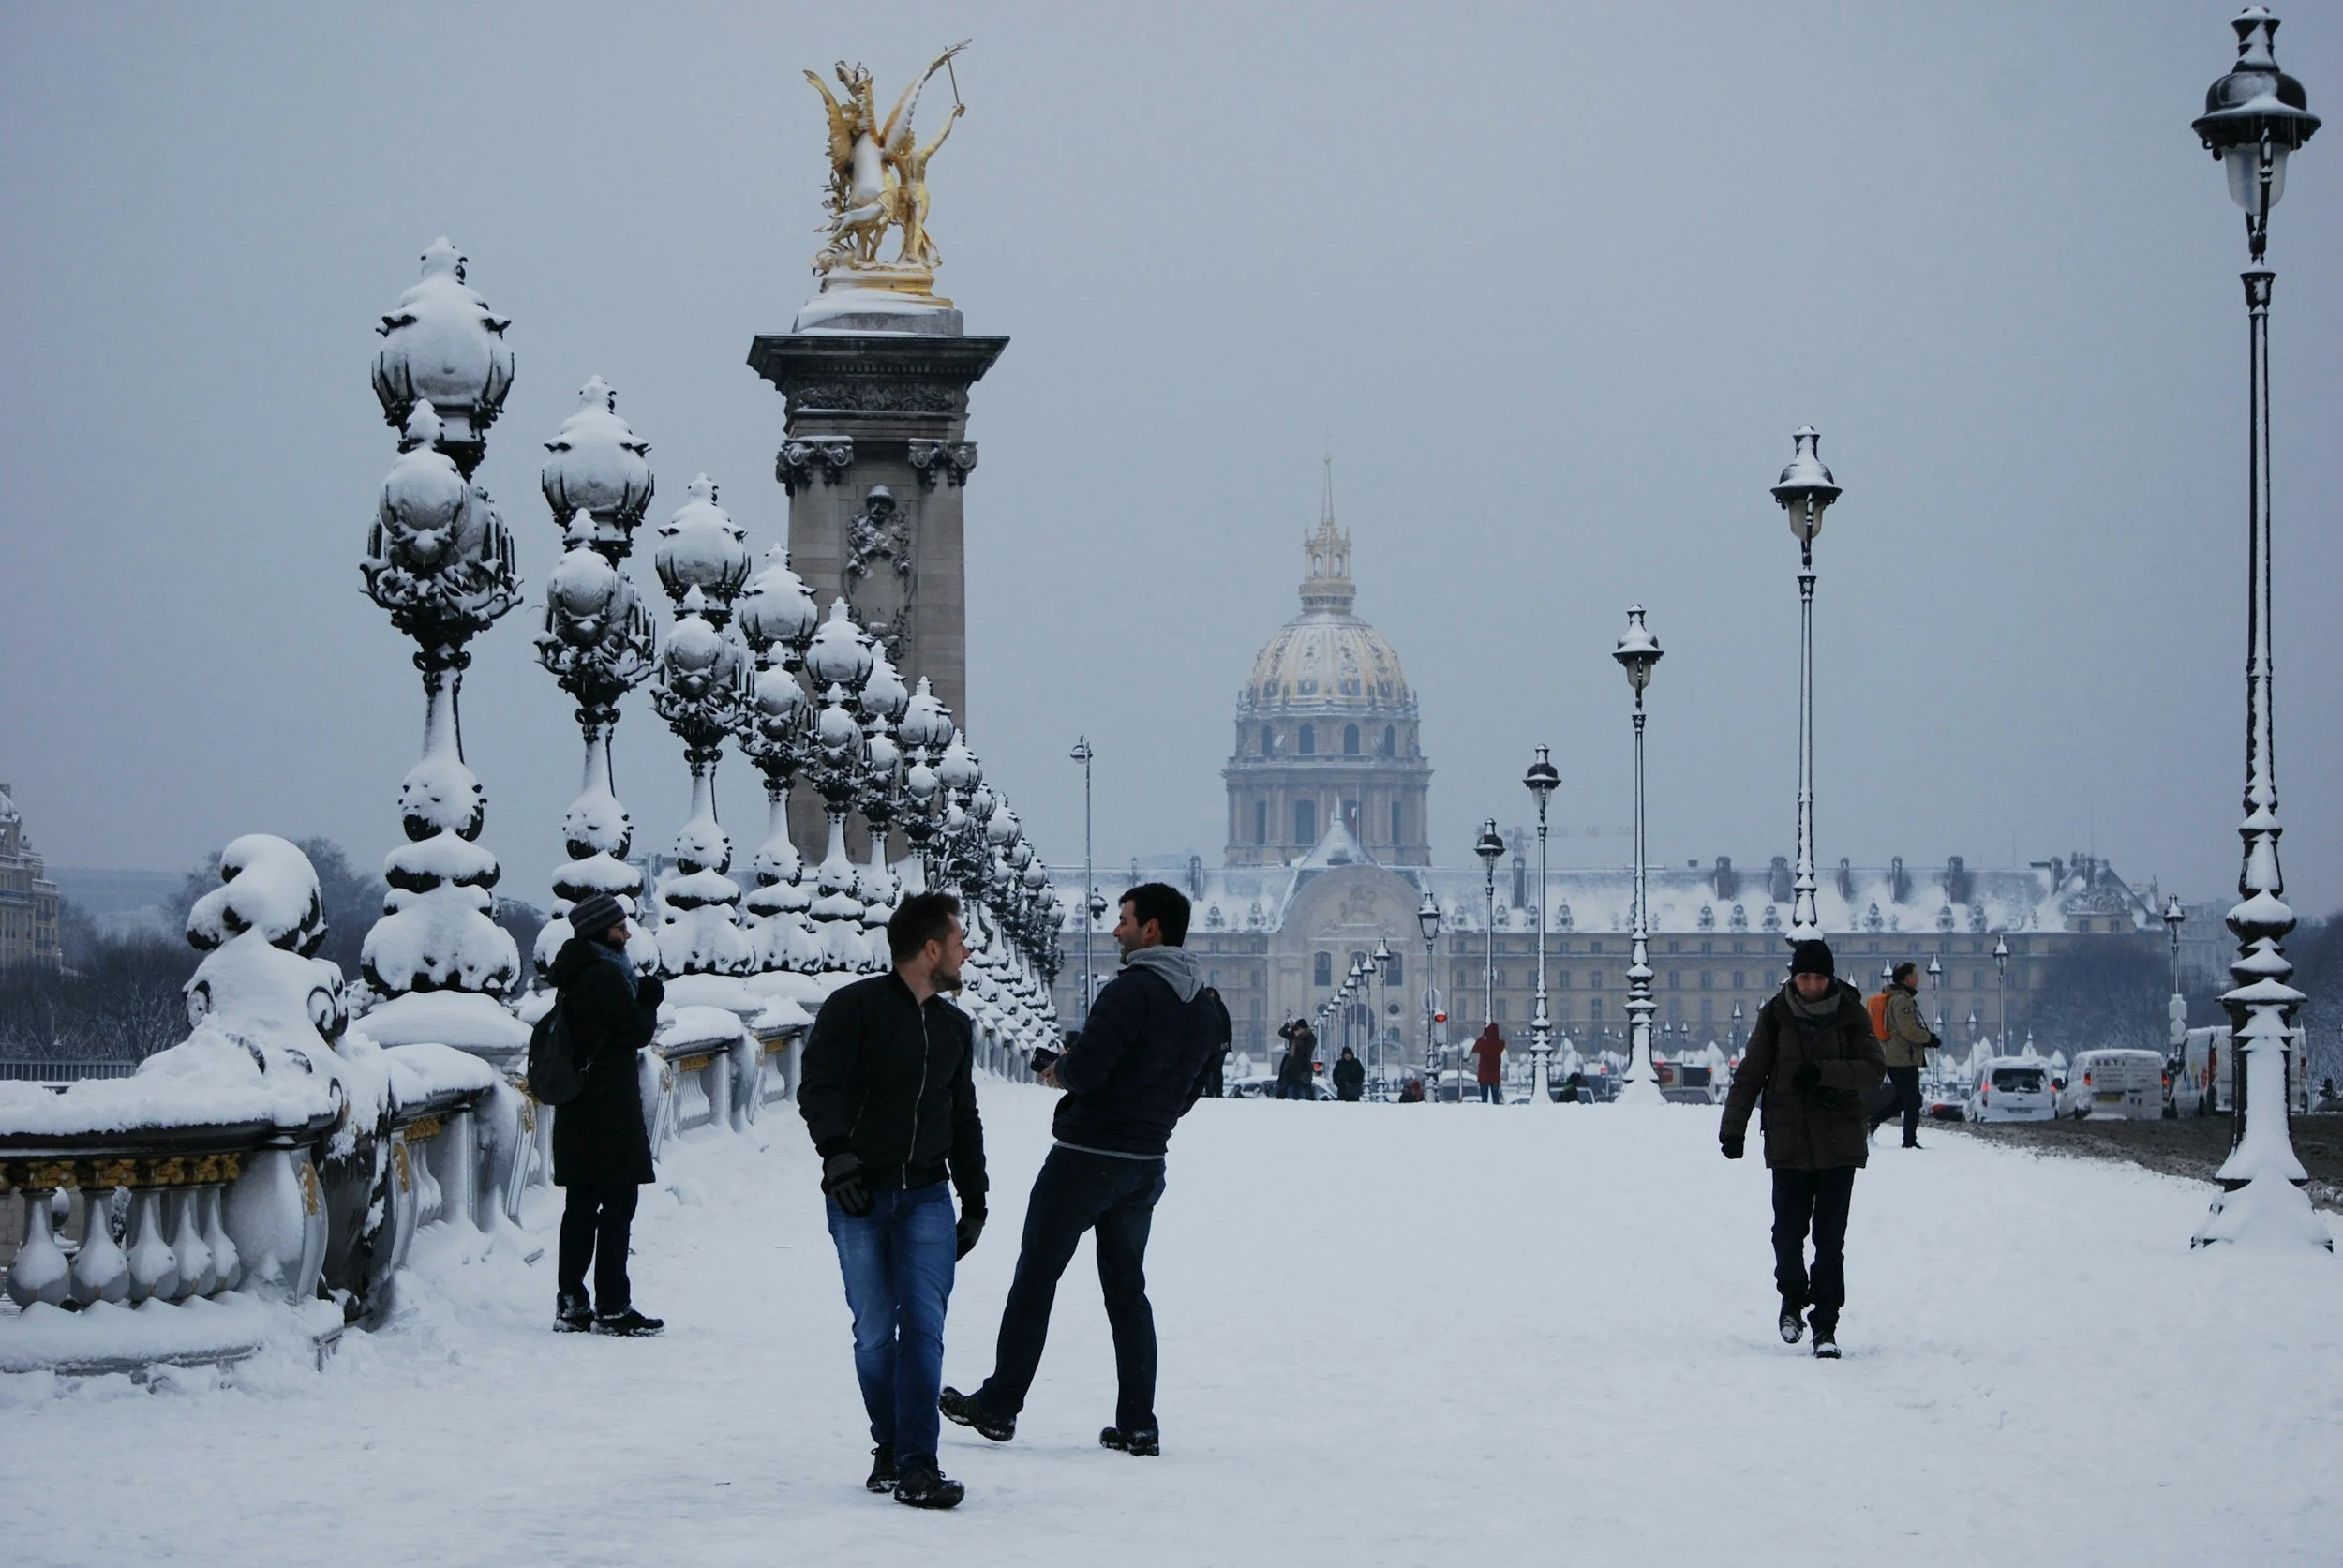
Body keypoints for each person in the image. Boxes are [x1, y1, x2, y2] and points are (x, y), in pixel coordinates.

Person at [941, 883, 1222, 1459]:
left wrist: (1059, 1072)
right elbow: (1194, 1089)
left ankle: (999, 1405)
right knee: (1127, 1292)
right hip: (1145, 1163)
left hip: (1086, 1157)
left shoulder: (1130, 991)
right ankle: (1138, 1423)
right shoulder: (1208, 1007)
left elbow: (1089, 1072)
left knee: (1036, 1279)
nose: (1115, 930)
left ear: (1152, 930)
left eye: (1124, 921)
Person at [799, 891, 988, 1510]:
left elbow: (964, 1117)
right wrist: (838, 1156)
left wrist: (976, 1196)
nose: (966, 951)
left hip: (929, 1194)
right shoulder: (853, 1008)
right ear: (930, 948)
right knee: (876, 1333)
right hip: (860, 1194)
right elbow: (818, 1088)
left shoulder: (955, 1027)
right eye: (959, 940)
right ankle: (890, 1444)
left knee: (925, 1330)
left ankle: (917, 1463)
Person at [1719, 939, 1886, 1361]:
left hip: (1838, 1144)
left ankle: (1825, 1324)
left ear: (1829, 978)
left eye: (1818, 977)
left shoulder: (1850, 1014)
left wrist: (1825, 1073)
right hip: (1789, 1141)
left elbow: (1874, 1068)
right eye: (1804, 976)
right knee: (1788, 1234)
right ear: (1794, 977)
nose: (1811, 985)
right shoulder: (1775, 1015)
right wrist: (1732, 1129)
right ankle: (1792, 1300)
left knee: (1830, 1241)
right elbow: (1750, 1074)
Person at [547, 892, 666, 1337]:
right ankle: (613, 1305)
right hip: (609, 1109)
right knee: (618, 1204)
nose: (628, 933)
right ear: (602, 931)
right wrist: (650, 998)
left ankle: (572, 1302)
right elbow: (635, 1031)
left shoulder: (576, 973)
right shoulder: (605, 976)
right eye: (620, 927)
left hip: (580, 1108)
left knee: (580, 1206)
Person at [1869, 961, 1940, 1148]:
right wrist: (1928, 1039)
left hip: (1897, 1056)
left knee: (1903, 1098)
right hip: (1902, 1057)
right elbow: (1908, 1029)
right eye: (1915, 976)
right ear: (1906, 978)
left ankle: (1873, 1121)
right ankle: (1909, 1141)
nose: (1918, 980)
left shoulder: (1896, 998)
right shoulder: (1901, 1000)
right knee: (1912, 1100)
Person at [1199, 984, 1234, 1098]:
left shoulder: (1205, 1007)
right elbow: (1227, 1026)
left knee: (1212, 1068)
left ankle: (1213, 1091)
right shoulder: (1219, 1007)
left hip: (1215, 1043)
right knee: (1214, 1069)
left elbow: (1227, 1026)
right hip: (1217, 1043)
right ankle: (1214, 1091)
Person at [1275, 1022, 1317, 1100]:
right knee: (1289, 1098)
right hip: (1290, 1074)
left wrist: (1297, 1039)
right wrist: (1288, 1025)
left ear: (1304, 1029)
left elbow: (1306, 1053)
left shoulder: (1310, 1038)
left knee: (1302, 1099)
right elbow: (1281, 1033)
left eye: (1299, 1028)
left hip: (1302, 1074)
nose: (1297, 1030)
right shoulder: (1294, 1036)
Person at [1470, 1023, 1506, 1104]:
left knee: (1484, 1099)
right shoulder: (1500, 1044)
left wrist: (1483, 1035)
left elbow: (1475, 1049)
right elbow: (1503, 1044)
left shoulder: (1483, 1042)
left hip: (1484, 1075)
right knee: (1495, 1098)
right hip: (1495, 1075)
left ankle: (1484, 1113)